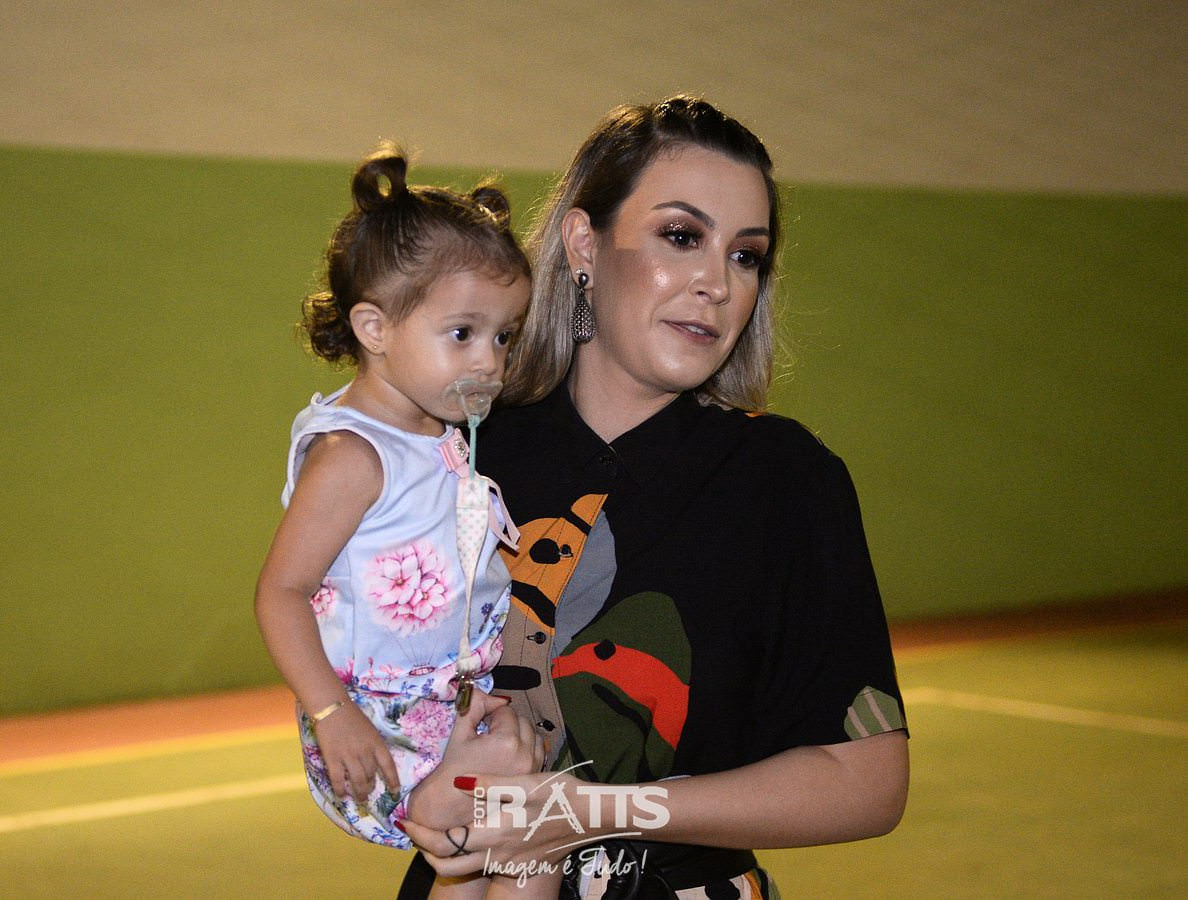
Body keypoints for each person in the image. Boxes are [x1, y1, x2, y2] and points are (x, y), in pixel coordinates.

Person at [397, 96, 909, 899]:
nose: (717, 283)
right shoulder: (457, 454)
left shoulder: (785, 480)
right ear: (584, 244)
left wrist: (595, 810)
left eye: (746, 256)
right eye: (681, 236)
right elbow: (366, 701)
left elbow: (868, 781)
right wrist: (419, 791)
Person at [254, 145, 558, 897]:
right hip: (386, 716)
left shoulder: (440, 429)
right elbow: (281, 593)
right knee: (517, 839)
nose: (490, 362)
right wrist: (332, 712)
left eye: (504, 336)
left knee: (507, 848)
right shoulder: (354, 457)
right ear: (374, 327)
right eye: (462, 334)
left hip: (457, 688)